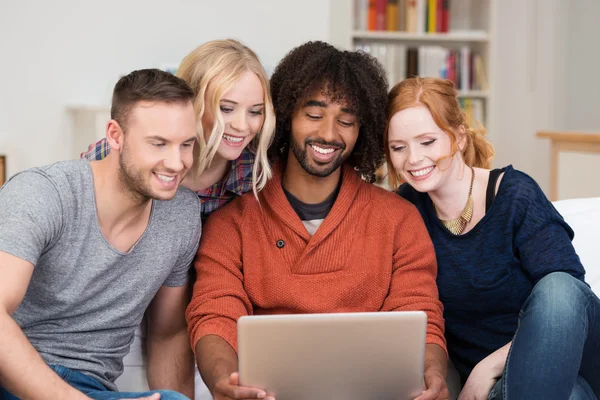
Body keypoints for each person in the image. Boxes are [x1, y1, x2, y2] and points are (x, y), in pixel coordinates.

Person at [186, 41, 449, 400]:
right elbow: (215, 313)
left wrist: (431, 373)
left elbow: (421, 312)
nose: (328, 133)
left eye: (346, 120)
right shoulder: (232, 222)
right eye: (314, 115)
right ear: (285, 115)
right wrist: (224, 380)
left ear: (363, 130)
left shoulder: (399, 220)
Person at [386, 76, 600, 400]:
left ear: (457, 138)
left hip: (565, 358)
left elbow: (569, 301)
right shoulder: (404, 210)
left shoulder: (514, 194)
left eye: (427, 142)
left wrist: (487, 368)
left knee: (559, 287)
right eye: (398, 147)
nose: (413, 159)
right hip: (514, 391)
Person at [0, 69, 203, 400]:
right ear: (115, 135)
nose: (177, 162)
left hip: (92, 388)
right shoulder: (43, 193)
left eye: (186, 145)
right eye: (158, 144)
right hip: (13, 376)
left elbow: (167, 335)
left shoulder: (181, 216)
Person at [82, 39, 276, 220]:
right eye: (226, 109)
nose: (241, 126)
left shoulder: (254, 174)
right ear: (191, 102)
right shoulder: (118, 153)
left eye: (256, 111)